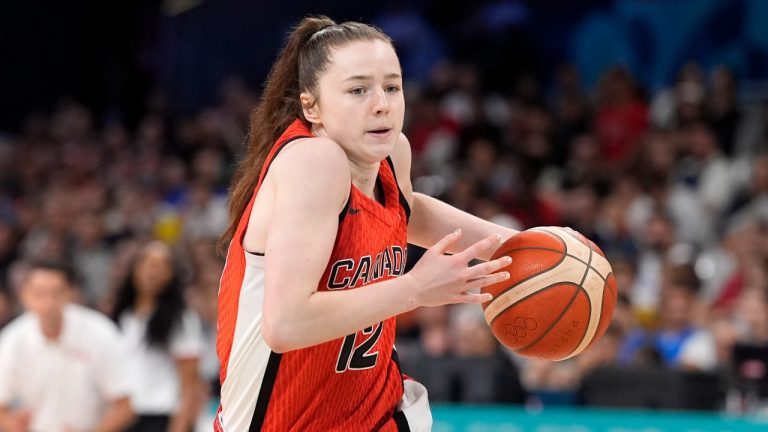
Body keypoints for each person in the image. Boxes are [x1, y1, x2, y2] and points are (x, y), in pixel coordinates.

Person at [215, 16, 518, 431]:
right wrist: (415, 289)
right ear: (311, 106)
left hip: (374, 412)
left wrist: (521, 243)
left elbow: (408, 209)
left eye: (392, 87)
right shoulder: (313, 162)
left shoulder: (392, 154)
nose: (382, 104)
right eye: (358, 90)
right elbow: (286, 324)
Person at [0, 261, 134, 432]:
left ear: (70, 293)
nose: (48, 303)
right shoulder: (12, 340)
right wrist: (14, 425)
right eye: (39, 294)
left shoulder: (100, 332)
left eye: (56, 293)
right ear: (24, 295)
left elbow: (125, 406)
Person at [110, 241, 205, 432]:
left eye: (161, 265)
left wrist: (179, 427)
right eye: (146, 262)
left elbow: (190, 384)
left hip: (160, 416)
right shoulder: (123, 316)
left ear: (171, 273)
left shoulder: (182, 319)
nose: (151, 270)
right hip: (123, 416)